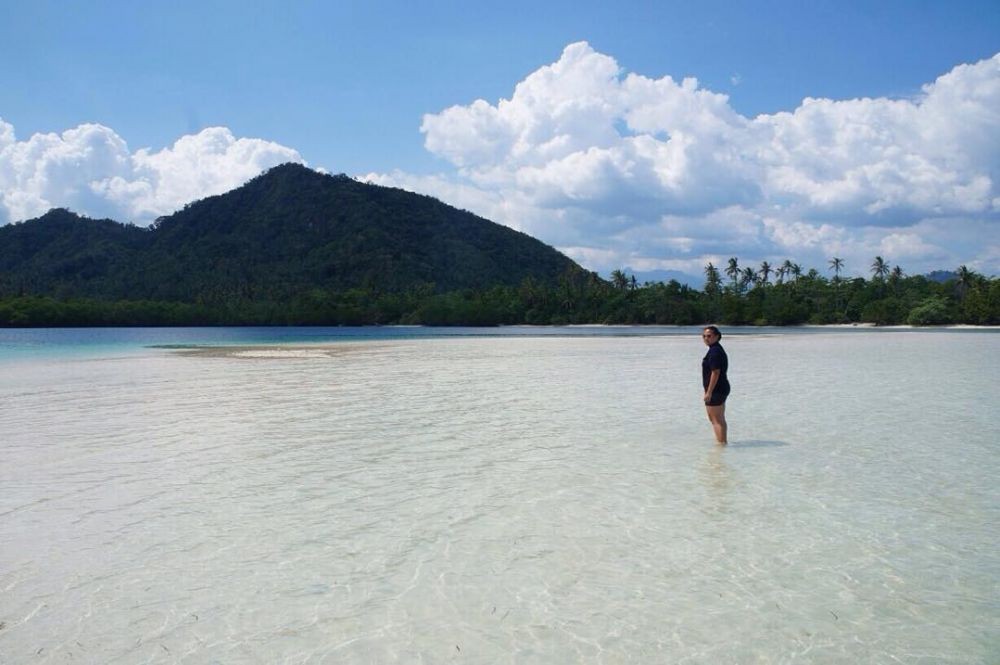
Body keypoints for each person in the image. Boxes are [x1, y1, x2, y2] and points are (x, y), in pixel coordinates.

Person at [701, 326, 730, 445]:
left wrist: (709, 392)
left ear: (717, 337)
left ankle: (721, 446)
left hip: (716, 390)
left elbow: (715, 372)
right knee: (720, 419)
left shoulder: (714, 352)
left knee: (715, 420)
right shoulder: (717, 349)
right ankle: (723, 443)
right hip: (722, 388)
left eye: (709, 336)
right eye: (704, 336)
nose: (706, 338)